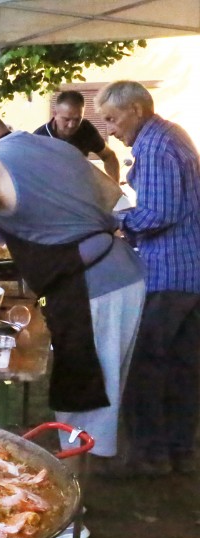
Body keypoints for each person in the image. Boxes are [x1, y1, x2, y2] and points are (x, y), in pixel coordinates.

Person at [0, 105, 145, 471]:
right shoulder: (57, 147)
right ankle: (86, 478)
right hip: (122, 273)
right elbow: (116, 198)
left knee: (82, 392)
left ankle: (72, 509)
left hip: (91, 284)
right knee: (91, 388)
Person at [96, 81, 200, 477]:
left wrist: (112, 222)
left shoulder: (154, 146)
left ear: (136, 110)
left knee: (145, 366)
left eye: (113, 118)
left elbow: (158, 214)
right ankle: (180, 451)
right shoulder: (172, 134)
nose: (110, 130)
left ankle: (149, 456)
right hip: (190, 271)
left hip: (170, 272)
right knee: (182, 365)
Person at [34, 90, 120, 182]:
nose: (71, 125)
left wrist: (116, 188)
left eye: (77, 119)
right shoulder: (38, 138)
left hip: (80, 188)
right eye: (66, 119)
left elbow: (109, 156)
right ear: (55, 114)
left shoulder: (86, 129)